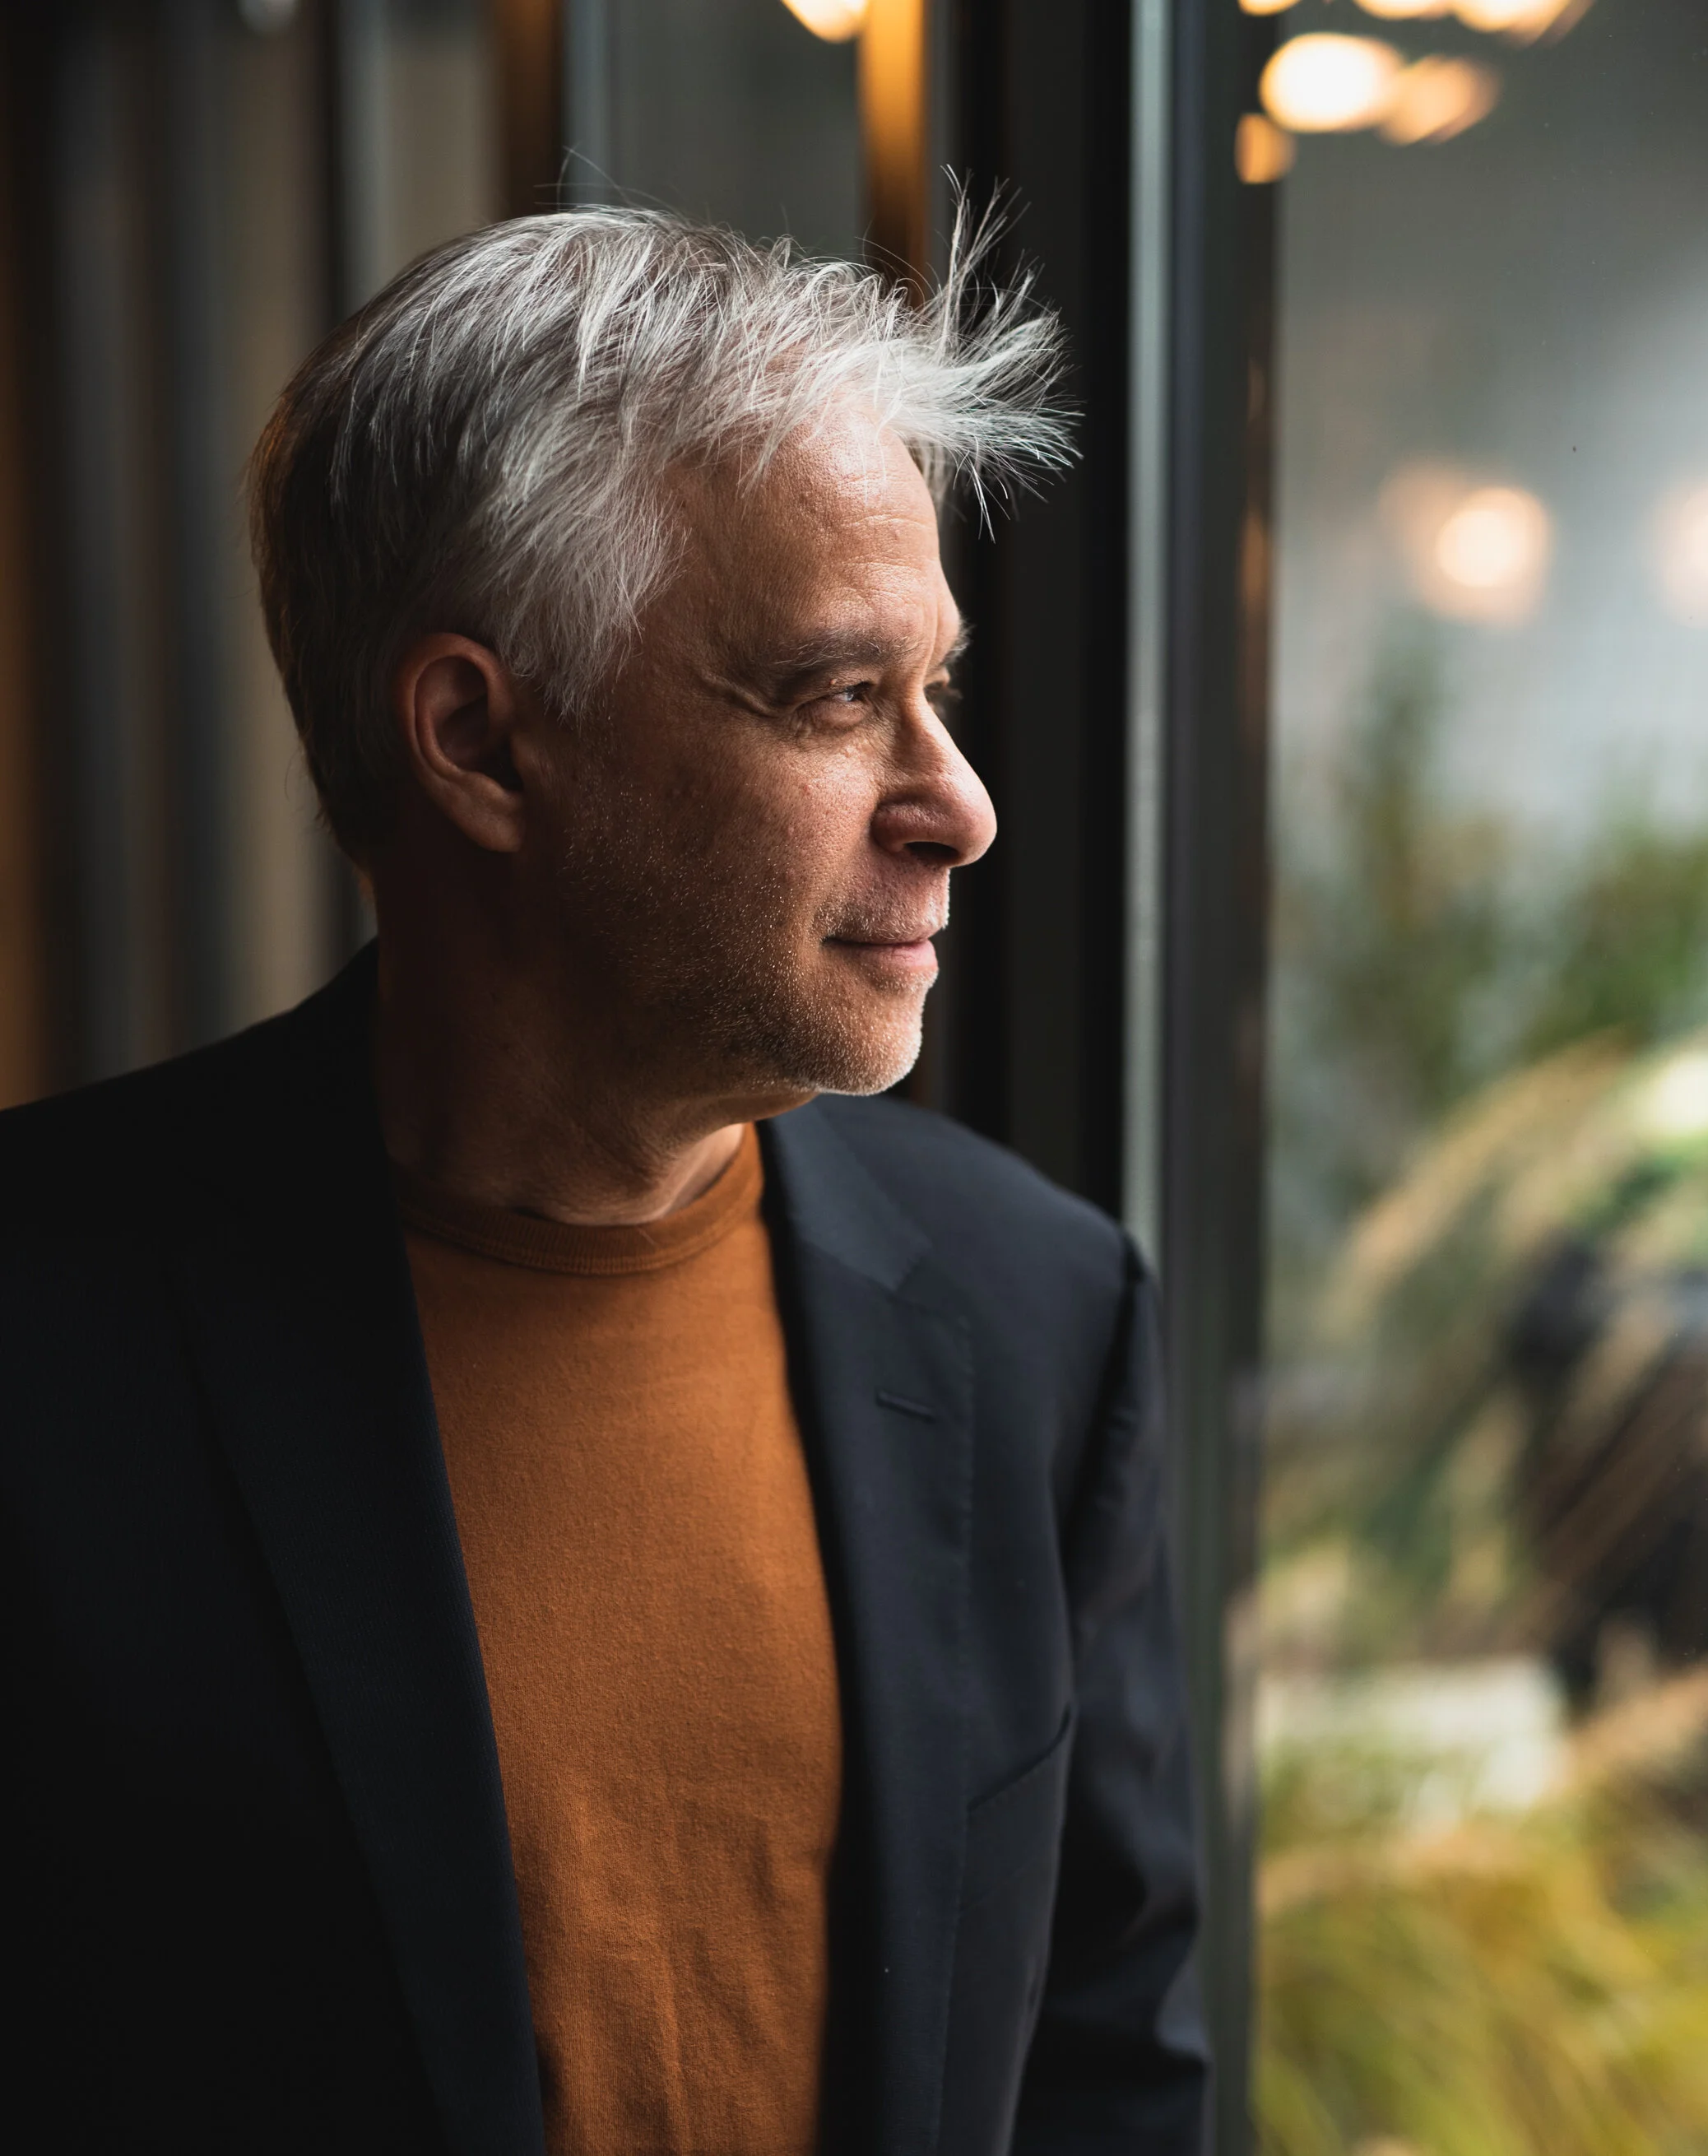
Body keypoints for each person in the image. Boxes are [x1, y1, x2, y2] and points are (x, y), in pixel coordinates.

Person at [0, 210, 1206, 2156]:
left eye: (940, 687)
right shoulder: (47, 1336)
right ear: (481, 737)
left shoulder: (1042, 1313)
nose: (957, 801)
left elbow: (1108, 2072)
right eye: (835, 696)